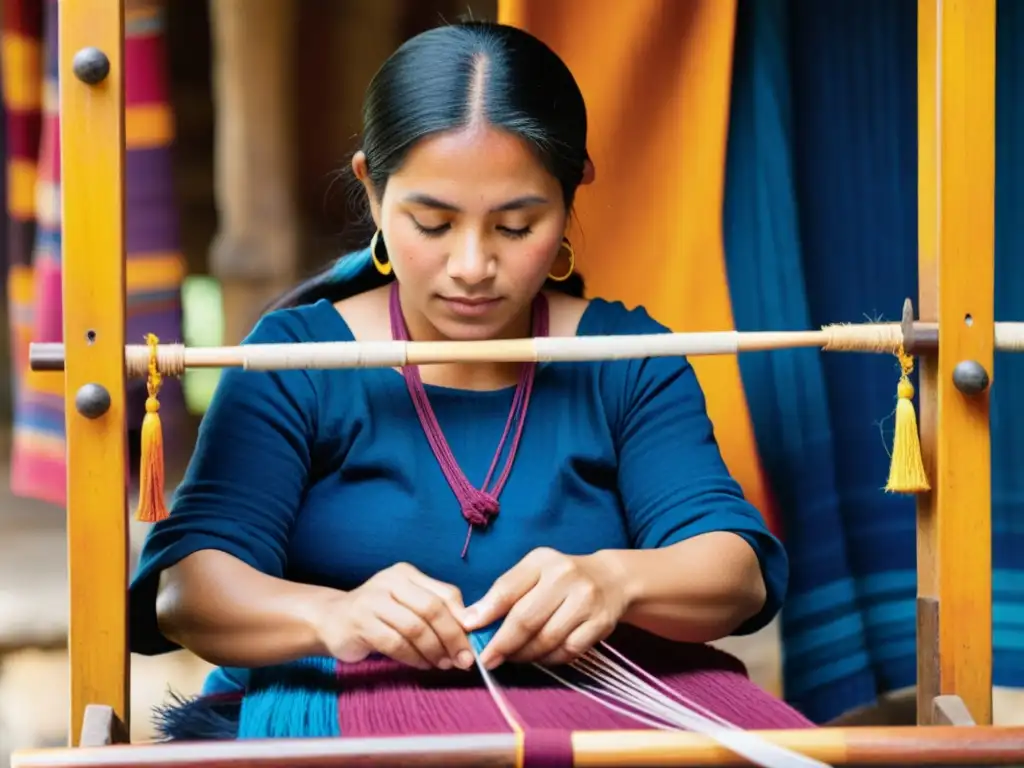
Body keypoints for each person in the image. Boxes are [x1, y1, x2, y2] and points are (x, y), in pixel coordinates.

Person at [129, 19, 813, 742]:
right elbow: (189, 588)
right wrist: (336, 616)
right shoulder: (296, 360)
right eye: (432, 223)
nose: (471, 266)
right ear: (372, 190)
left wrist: (615, 582)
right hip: (340, 725)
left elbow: (734, 571)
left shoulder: (623, 357)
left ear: (572, 191)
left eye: (515, 227)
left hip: (590, 725)